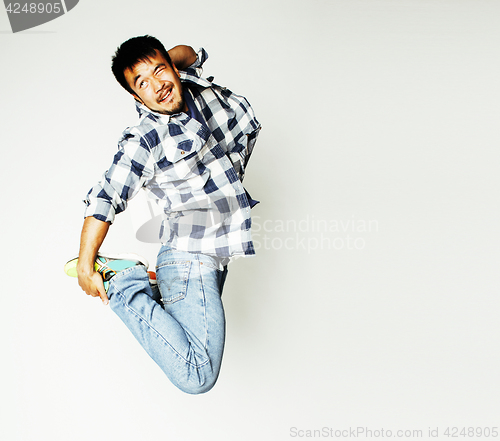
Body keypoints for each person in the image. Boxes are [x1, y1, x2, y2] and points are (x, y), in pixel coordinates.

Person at [64, 35, 261, 394]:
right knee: (196, 375)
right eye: (143, 84)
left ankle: (153, 286)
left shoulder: (186, 82)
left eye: (160, 72)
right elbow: (107, 195)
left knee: (191, 355)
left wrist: (165, 65)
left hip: (213, 258)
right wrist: (84, 266)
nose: (158, 87)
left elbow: (191, 52)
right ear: (137, 98)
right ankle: (121, 285)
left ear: (173, 68)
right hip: (190, 256)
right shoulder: (146, 138)